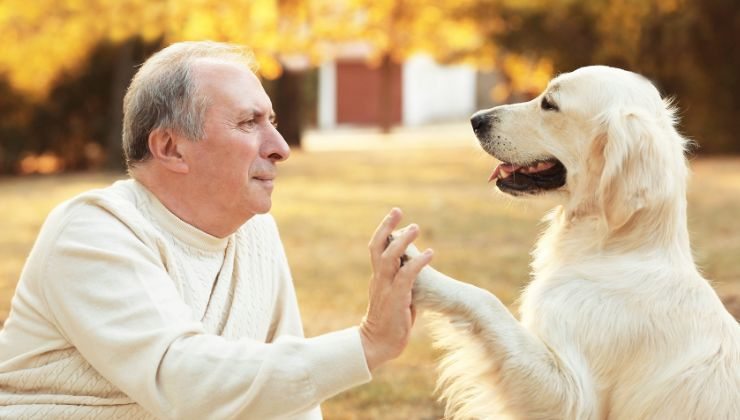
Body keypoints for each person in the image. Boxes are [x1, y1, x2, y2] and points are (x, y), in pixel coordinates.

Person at [0, 41, 433, 419]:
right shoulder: (92, 232)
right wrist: (367, 343)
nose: (280, 147)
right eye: (249, 123)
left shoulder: (254, 232)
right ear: (171, 148)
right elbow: (184, 381)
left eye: (272, 121)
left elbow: (284, 401)